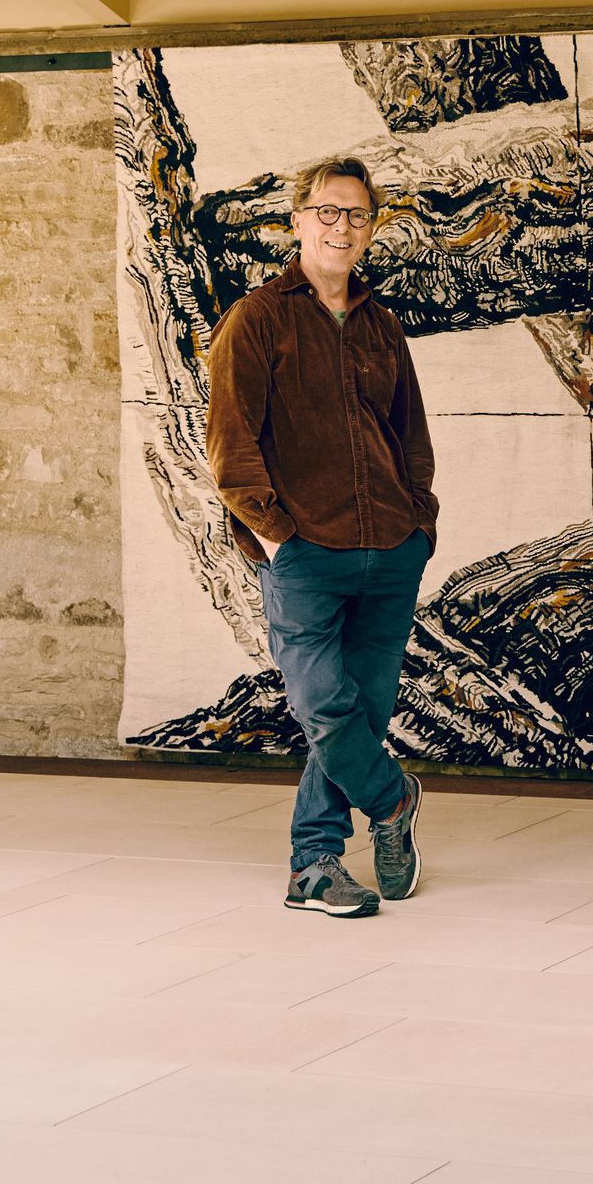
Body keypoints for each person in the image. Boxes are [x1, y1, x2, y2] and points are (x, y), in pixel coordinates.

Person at [205, 156, 436, 918]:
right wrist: (275, 536)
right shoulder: (258, 318)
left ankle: (316, 863)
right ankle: (393, 797)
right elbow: (230, 443)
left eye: (357, 215)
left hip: (390, 551)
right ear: (297, 220)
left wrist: (420, 524)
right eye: (328, 212)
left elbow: (411, 436)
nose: (342, 227)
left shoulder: (381, 323)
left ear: (372, 228)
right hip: (304, 551)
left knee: (362, 712)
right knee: (325, 708)